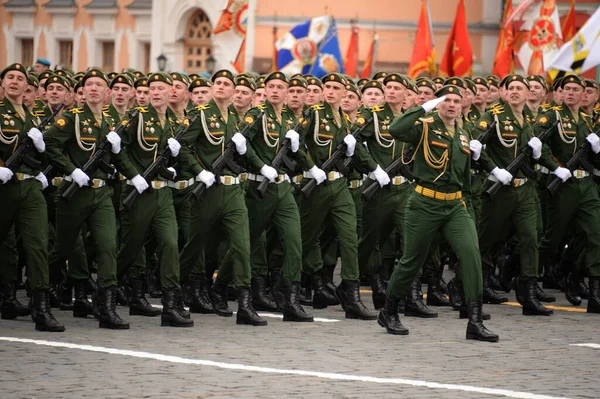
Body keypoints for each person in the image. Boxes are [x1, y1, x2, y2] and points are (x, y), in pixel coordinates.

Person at [379, 85, 498, 342]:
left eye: (457, 100)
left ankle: (474, 321)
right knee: (412, 260)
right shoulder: (424, 126)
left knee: (470, 253)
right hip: (424, 202)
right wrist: (422, 108)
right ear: (438, 103)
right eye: (446, 100)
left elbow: (462, 173)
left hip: (455, 204)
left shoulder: (463, 133)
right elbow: (395, 129)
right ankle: (389, 311)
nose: (452, 104)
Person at [178, 69, 266, 326]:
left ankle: (245, 305)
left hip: (233, 191)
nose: (221, 87)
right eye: (217, 82)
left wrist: (246, 153)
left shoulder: (236, 121)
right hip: (208, 190)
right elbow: (182, 147)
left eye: (227, 84)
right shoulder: (201, 115)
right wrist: (199, 172)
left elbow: (242, 155)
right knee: (194, 246)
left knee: (241, 245)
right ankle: (173, 293)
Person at [44, 68, 129, 329]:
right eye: (89, 84)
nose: (93, 88)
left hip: (101, 191)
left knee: (107, 246)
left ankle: (106, 307)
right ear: (82, 91)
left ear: (107, 93)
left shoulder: (110, 122)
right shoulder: (71, 118)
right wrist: (71, 170)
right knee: (63, 250)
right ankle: (41, 292)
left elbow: (118, 158)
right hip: (74, 193)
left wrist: (119, 154)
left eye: (99, 85)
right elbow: (49, 145)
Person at [474, 75, 566, 315]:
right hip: (499, 190)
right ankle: (470, 284)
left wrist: (538, 157)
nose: (515, 92)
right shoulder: (493, 117)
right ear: (504, 93)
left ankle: (528, 291)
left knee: (530, 238)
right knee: (487, 239)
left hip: (524, 188)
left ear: (528, 94)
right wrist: (494, 169)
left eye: (520, 88)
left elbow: (535, 153)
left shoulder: (529, 119)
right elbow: (475, 146)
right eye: (510, 88)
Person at [115, 71, 193, 328]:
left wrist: (172, 167)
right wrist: (133, 175)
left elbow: (173, 159)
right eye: (152, 89)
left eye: (161, 88)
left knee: (170, 244)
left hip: (163, 193)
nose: (156, 93)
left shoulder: (174, 123)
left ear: (171, 91)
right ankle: (107, 290)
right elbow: (119, 151)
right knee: (131, 248)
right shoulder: (136, 117)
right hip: (138, 193)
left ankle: (171, 305)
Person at [296, 72, 376, 320]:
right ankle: (288, 285)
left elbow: (356, 155)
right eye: (327, 87)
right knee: (305, 239)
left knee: (349, 236)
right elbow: (295, 141)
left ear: (345, 92)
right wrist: (311, 167)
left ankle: (351, 293)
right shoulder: (314, 113)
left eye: (335, 88)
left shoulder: (344, 119)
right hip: (316, 185)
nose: (329, 91)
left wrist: (375, 169)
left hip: (340, 186)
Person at [0, 63, 64, 332]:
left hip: (30, 189)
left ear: (28, 87)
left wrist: (39, 150)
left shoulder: (31, 117)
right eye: (10, 77)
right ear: (3, 84)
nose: (15, 82)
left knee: (37, 245)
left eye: (20, 78)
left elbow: (42, 156)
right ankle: (7, 297)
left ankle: (41, 306)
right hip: (4, 186)